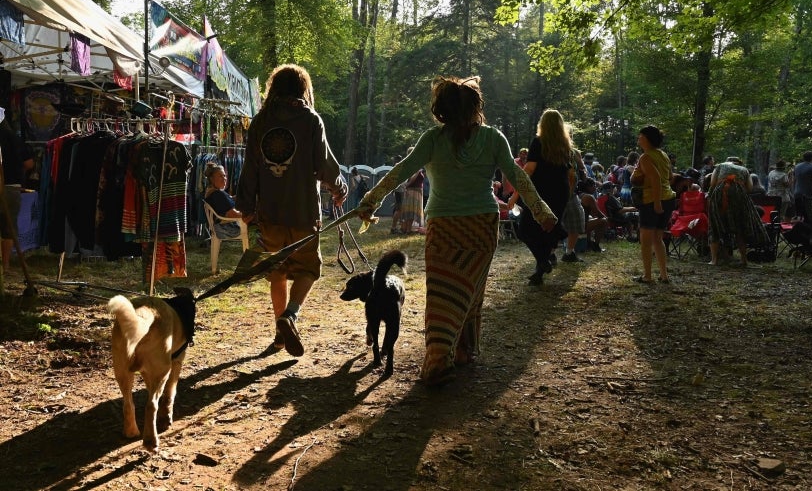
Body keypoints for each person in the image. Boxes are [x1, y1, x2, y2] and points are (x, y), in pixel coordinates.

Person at [356, 76, 556, 386]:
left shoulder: (432, 139)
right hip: (481, 227)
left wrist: (370, 201)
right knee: (469, 291)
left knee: (443, 292)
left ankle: (439, 356)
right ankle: (460, 350)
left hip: (444, 226)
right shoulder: (493, 138)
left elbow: (400, 171)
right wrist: (541, 211)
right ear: (476, 107)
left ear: (441, 110)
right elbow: (518, 176)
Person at [235, 64, 348, 357]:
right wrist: (339, 188)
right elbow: (324, 165)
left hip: (269, 213)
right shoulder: (310, 120)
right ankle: (291, 315)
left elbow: (250, 168)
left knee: (277, 270)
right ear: (302, 89)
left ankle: (279, 335)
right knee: (309, 269)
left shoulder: (260, 121)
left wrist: (246, 206)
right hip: (303, 211)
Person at [510, 109, 577, 286]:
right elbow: (571, 174)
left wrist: (517, 191)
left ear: (543, 124)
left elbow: (530, 169)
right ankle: (540, 270)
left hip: (541, 192)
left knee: (524, 228)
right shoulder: (565, 146)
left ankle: (542, 262)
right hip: (560, 192)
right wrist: (568, 193)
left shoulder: (539, 142)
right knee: (549, 229)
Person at [630, 125, 677, 284]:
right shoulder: (663, 155)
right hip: (668, 198)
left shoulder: (646, 157)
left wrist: (657, 202)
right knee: (658, 238)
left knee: (646, 240)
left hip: (652, 200)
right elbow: (670, 176)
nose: (638, 138)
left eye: (640, 136)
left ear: (647, 138)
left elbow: (655, 179)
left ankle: (647, 276)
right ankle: (664, 275)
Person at [706, 156, 768, 267]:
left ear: (727, 161)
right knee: (740, 228)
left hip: (720, 195)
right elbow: (749, 188)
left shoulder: (719, 166)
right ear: (739, 163)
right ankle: (744, 260)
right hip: (738, 196)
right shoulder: (744, 170)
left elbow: (713, 183)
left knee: (715, 226)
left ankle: (714, 260)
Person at [0, 113, 35, 270]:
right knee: (9, 227)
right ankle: (5, 264)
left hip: (9, 185)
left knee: (8, 227)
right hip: (11, 186)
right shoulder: (13, 138)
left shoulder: (12, 138)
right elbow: (29, 163)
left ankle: (5, 264)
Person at [203, 163, 243, 239]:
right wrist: (251, 215)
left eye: (224, 175)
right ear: (212, 179)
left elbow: (228, 200)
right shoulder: (218, 194)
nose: (224, 178)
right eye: (220, 176)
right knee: (256, 227)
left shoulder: (212, 192)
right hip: (228, 229)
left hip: (220, 228)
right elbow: (233, 214)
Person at [792, 151, 812, 220]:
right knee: (810, 215)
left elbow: (794, 180)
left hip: (797, 193)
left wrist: (794, 191)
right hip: (809, 195)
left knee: (799, 215)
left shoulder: (797, 167)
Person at [400, 166, 426, 233]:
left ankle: (406, 229)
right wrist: (407, 185)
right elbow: (412, 179)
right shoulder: (415, 169)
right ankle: (407, 230)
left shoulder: (417, 169)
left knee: (410, 210)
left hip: (415, 191)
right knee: (411, 211)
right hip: (413, 192)